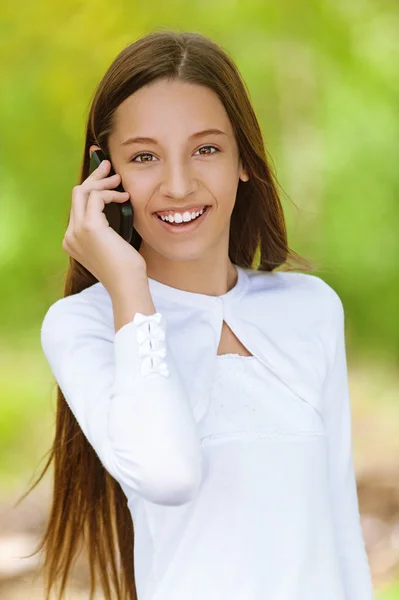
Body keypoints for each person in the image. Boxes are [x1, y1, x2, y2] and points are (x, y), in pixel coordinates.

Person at [25, 29, 375, 600]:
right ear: (103, 175)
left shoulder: (311, 309)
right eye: (143, 157)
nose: (179, 185)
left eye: (206, 149)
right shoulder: (83, 325)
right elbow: (169, 475)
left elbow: (340, 528)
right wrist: (128, 285)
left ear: (244, 160)